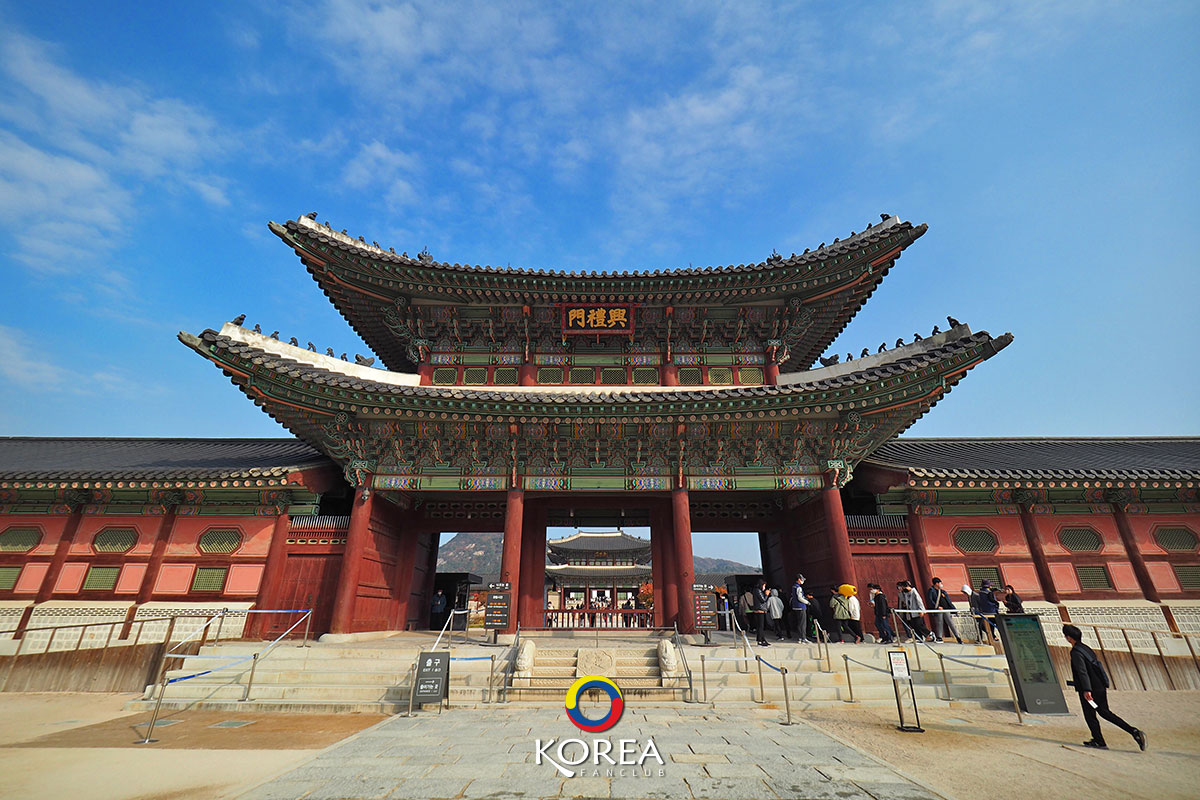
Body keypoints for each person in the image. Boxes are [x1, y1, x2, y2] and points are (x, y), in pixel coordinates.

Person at [1063, 624, 1146, 751]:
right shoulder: (1086, 649)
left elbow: (1082, 671)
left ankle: (1099, 741)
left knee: (1090, 714)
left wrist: (1086, 690)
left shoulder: (1076, 652)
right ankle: (1133, 731)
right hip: (1099, 687)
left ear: (1069, 638)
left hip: (1090, 691)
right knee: (1104, 712)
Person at [925, 578, 963, 643]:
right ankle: (939, 637)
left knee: (951, 623)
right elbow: (930, 600)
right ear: (936, 583)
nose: (941, 584)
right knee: (939, 623)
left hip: (946, 609)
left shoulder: (943, 591)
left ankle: (957, 637)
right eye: (940, 583)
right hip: (938, 610)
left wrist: (954, 609)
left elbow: (948, 601)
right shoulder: (931, 591)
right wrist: (937, 607)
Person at [789, 574, 813, 642]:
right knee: (803, 623)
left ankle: (800, 637)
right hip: (801, 607)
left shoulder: (793, 587)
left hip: (795, 607)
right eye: (802, 579)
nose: (802, 581)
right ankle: (803, 638)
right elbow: (800, 598)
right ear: (799, 579)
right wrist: (807, 602)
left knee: (799, 623)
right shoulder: (798, 588)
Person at [751, 580, 770, 646]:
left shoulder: (756, 591)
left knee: (760, 626)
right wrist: (766, 595)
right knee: (760, 626)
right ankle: (760, 640)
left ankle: (762, 639)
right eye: (764, 585)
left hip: (759, 609)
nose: (764, 587)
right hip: (759, 610)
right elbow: (763, 600)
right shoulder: (758, 591)